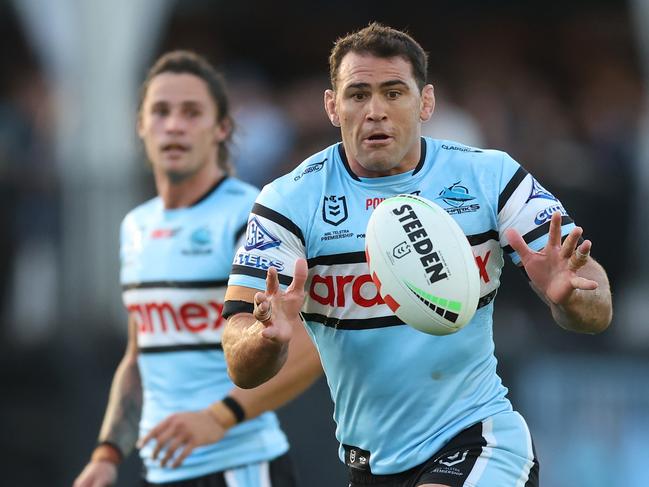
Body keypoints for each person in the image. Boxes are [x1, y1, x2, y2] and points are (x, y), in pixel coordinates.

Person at [221, 23, 613, 487]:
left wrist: (569, 297)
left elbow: (597, 306)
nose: (375, 112)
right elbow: (239, 355)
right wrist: (266, 340)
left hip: (480, 437)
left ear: (425, 102)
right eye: (358, 94)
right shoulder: (289, 202)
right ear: (332, 106)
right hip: (371, 463)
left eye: (393, 93)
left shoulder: (489, 177)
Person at [73, 50, 322, 487]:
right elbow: (139, 355)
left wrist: (219, 418)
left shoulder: (250, 215)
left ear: (221, 127)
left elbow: (312, 345)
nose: (174, 125)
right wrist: (107, 453)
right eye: (161, 111)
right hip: (163, 469)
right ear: (141, 126)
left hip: (241, 467)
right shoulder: (136, 226)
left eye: (191, 112)